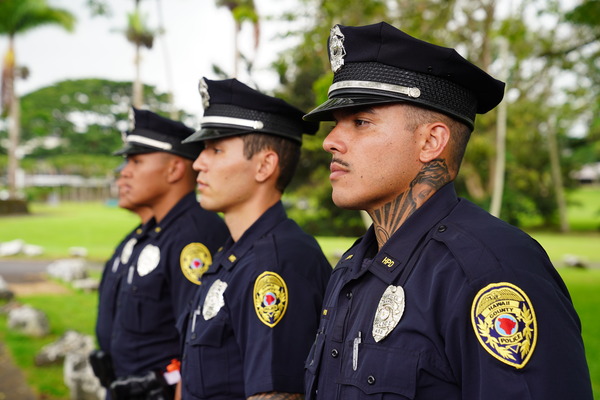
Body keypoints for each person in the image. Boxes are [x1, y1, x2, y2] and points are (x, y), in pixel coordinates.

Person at [302, 22, 593, 400]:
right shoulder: (353, 267)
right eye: (335, 124)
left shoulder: (489, 272)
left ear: (431, 141)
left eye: (360, 122)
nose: (330, 141)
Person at [176, 78, 332, 399]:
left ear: (264, 165)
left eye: (216, 150)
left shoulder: (275, 262)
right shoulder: (234, 253)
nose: (198, 163)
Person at [106, 108, 229, 399]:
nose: (124, 171)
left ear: (174, 169)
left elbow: (196, 337)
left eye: (136, 161)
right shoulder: (158, 230)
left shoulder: (193, 235)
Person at [91, 159, 154, 391]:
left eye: (137, 162)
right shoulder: (139, 235)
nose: (123, 175)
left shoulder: (188, 236)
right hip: (122, 383)